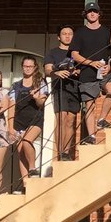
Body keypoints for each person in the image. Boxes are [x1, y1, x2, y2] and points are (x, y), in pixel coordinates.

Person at [70, 1, 111, 142]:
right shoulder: (80, 32)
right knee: (90, 104)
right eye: (90, 11)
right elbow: (74, 54)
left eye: (95, 11)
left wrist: (109, 66)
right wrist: (91, 63)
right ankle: (92, 136)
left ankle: (102, 119)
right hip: (86, 72)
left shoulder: (106, 31)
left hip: (104, 71)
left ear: (99, 13)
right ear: (85, 14)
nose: (92, 13)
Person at [5, 57, 46, 186]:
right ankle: (25, 183)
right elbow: (11, 107)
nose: (28, 68)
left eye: (30, 66)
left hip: (35, 119)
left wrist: (36, 98)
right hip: (19, 121)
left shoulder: (40, 82)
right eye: (25, 66)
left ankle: (33, 168)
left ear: (35, 68)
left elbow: (42, 103)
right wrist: (10, 127)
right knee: (21, 151)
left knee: (27, 141)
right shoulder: (16, 86)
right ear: (22, 67)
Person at [44, 25, 80, 159]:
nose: (67, 36)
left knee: (71, 120)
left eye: (70, 33)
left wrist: (77, 71)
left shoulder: (77, 53)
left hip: (75, 88)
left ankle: (66, 151)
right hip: (60, 88)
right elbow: (47, 70)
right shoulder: (52, 52)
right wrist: (56, 72)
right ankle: (60, 153)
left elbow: (83, 68)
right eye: (64, 34)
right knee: (61, 119)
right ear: (59, 37)